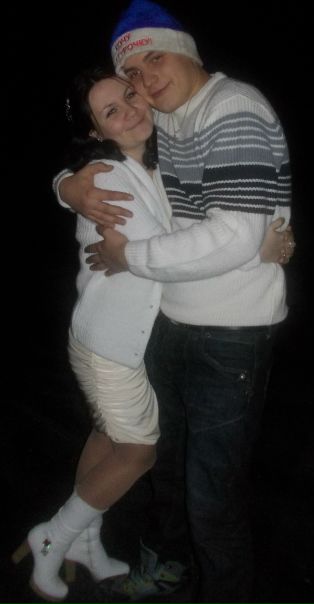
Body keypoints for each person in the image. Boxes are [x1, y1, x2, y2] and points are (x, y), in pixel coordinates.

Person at [55, 1, 294, 601]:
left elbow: (232, 234)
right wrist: (66, 185)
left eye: (154, 59)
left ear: (188, 51)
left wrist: (128, 256)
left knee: (211, 495)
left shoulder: (232, 108)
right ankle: (165, 564)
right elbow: (114, 162)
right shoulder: (168, 117)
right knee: (167, 468)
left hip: (229, 335)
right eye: (132, 76)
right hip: (170, 322)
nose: (144, 83)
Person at [12, 66, 174, 602]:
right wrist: (247, 245)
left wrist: (63, 184)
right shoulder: (106, 175)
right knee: (138, 452)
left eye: (129, 96)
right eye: (111, 111)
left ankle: (84, 543)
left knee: (106, 438)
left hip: (105, 337)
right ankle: (52, 538)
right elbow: (162, 253)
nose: (129, 111)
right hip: (109, 345)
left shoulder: (146, 164)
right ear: (95, 131)